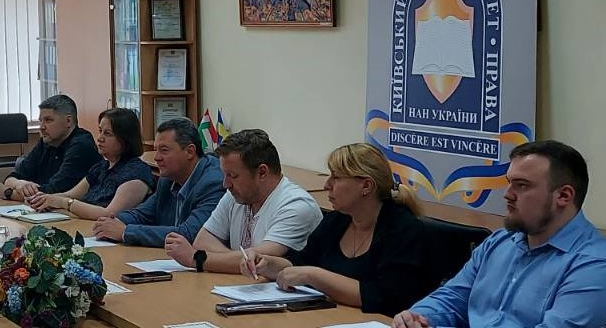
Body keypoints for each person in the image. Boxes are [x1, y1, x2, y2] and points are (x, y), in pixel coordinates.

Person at [393, 140, 606, 328]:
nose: (507, 194)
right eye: (509, 182)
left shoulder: (593, 267)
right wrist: (418, 318)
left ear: (564, 196)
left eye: (522, 185)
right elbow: (453, 298)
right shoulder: (499, 241)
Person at [241, 143, 429, 317]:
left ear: (366, 186)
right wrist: (267, 263)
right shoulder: (337, 220)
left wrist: (313, 275)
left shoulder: (404, 229)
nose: (326, 185)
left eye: (336, 177)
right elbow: (300, 262)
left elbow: (386, 297)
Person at [165, 129, 322, 274]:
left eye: (233, 176)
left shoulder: (297, 206)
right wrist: (234, 260)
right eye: (225, 175)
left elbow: (261, 259)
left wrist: (196, 258)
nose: (225, 184)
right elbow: (203, 240)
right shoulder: (236, 194)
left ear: (262, 172)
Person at [92, 118, 225, 247]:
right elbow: (142, 214)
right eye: (156, 150)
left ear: (189, 152)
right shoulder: (167, 178)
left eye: (164, 150)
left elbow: (190, 234)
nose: (156, 158)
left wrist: (125, 232)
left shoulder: (213, 183)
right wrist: (113, 221)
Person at [26, 108, 155, 219]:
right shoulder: (101, 167)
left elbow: (109, 214)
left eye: (107, 134)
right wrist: (43, 199)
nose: (100, 138)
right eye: (100, 131)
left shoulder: (136, 173)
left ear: (125, 139)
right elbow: (71, 195)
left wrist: (64, 203)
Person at [0, 94, 101, 201]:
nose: (42, 127)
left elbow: (54, 191)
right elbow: (13, 177)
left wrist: (7, 193)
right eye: (41, 121)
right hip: (44, 209)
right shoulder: (47, 141)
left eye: (48, 120)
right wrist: (20, 184)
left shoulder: (81, 145)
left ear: (68, 121)